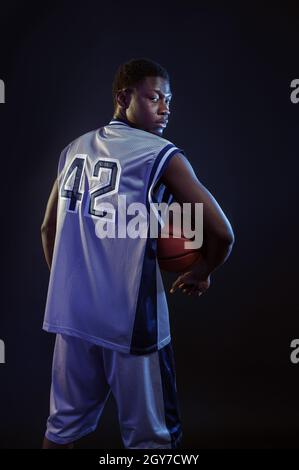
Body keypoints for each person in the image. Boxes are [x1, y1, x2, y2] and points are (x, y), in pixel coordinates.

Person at [40, 57, 235, 449]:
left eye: (169, 100)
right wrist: (202, 269)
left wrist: (72, 284)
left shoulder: (74, 148)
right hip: (130, 325)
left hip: (73, 320)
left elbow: (47, 229)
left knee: (61, 430)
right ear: (122, 97)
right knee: (152, 441)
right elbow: (223, 233)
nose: (165, 108)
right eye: (154, 98)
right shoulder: (160, 154)